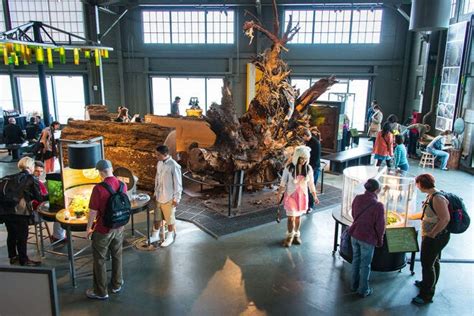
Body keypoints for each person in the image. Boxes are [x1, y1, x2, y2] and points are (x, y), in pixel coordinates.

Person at [85, 160, 126, 300]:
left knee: (100, 260)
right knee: (117, 255)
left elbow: (92, 212)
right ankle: (116, 284)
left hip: (103, 229)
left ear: (101, 172)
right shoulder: (122, 185)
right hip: (119, 226)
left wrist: (89, 228)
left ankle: (101, 292)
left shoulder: (98, 188)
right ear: (111, 168)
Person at [409, 174, 450, 305]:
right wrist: (409, 216)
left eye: (417, 183)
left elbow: (445, 219)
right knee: (433, 262)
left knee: (427, 265)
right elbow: (427, 214)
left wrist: (432, 234)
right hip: (433, 236)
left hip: (436, 237)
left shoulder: (438, 198)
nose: (417, 186)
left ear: (421, 184)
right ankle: (427, 284)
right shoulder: (431, 195)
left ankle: (426, 295)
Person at [0, 157, 42, 266]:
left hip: (5, 211)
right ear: (30, 166)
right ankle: (24, 260)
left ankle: (13, 256)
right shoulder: (30, 178)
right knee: (22, 236)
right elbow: (39, 197)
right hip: (20, 212)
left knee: (12, 234)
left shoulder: (9, 178)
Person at [347, 179, 385, 298]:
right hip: (368, 238)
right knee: (365, 265)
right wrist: (380, 239)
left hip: (355, 234)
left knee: (356, 260)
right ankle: (363, 290)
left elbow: (354, 214)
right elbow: (380, 225)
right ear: (377, 190)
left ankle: (354, 285)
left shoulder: (358, 198)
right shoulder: (378, 205)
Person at [277, 146, 319, 247]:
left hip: (302, 196)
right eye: (301, 158)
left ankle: (296, 235)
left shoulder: (308, 168)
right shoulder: (289, 168)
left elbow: (311, 183)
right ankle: (289, 236)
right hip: (291, 195)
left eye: (305, 158)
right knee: (291, 217)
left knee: (298, 218)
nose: (303, 161)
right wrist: (280, 194)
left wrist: (315, 196)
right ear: (297, 157)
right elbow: (283, 182)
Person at [150, 145, 182, 247]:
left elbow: (178, 184)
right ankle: (155, 235)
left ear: (165, 154)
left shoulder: (174, 165)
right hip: (159, 196)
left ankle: (170, 236)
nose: (156, 156)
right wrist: (155, 192)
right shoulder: (159, 163)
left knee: (169, 219)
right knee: (157, 217)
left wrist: (177, 198)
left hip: (169, 197)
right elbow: (157, 179)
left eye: (158, 155)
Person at [302, 128, 321, 213]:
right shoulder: (308, 142)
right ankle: (306, 204)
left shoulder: (315, 143)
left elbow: (316, 158)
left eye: (303, 136)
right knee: (306, 187)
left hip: (314, 168)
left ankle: (311, 206)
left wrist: (310, 169)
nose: (303, 138)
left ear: (306, 136)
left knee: (311, 187)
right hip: (309, 167)